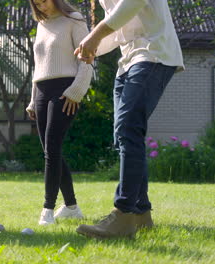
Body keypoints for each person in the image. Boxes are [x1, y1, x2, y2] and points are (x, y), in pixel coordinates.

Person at [74, 0, 184, 238]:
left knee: (127, 131)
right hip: (128, 63)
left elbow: (132, 4)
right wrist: (89, 47)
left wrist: (93, 37)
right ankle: (141, 214)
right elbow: (118, 31)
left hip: (153, 54)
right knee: (125, 137)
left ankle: (123, 214)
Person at [27, 0, 93, 225]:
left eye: (44, 1)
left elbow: (87, 59)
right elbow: (38, 65)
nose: (41, 6)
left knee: (52, 149)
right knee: (50, 150)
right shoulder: (41, 24)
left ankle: (47, 209)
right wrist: (32, 99)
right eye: (36, 3)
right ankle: (72, 206)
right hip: (42, 92)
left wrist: (76, 91)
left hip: (65, 91)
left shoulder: (74, 20)